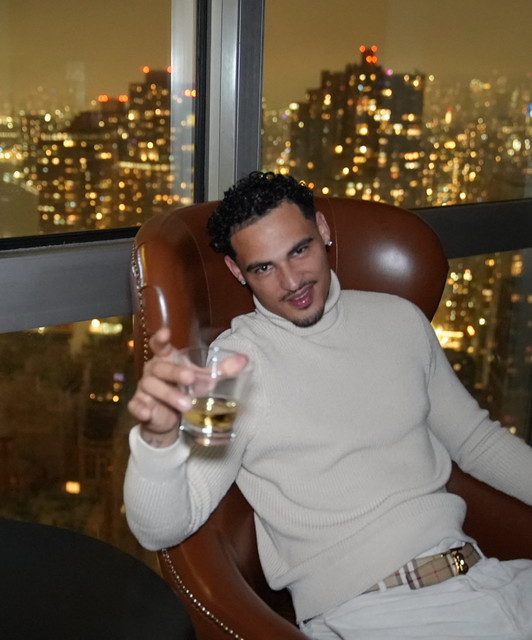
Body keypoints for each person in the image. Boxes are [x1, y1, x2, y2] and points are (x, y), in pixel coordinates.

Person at [124, 171, 532, 639]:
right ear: (237, 272)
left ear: (322, 229)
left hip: (492, 578)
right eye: (264, 268)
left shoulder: (399, 320)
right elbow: (165, 527)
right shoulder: (231, 374)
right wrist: (157, 443)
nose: (292, 281)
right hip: (378, 616)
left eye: (299, 250)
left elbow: (477, 441)